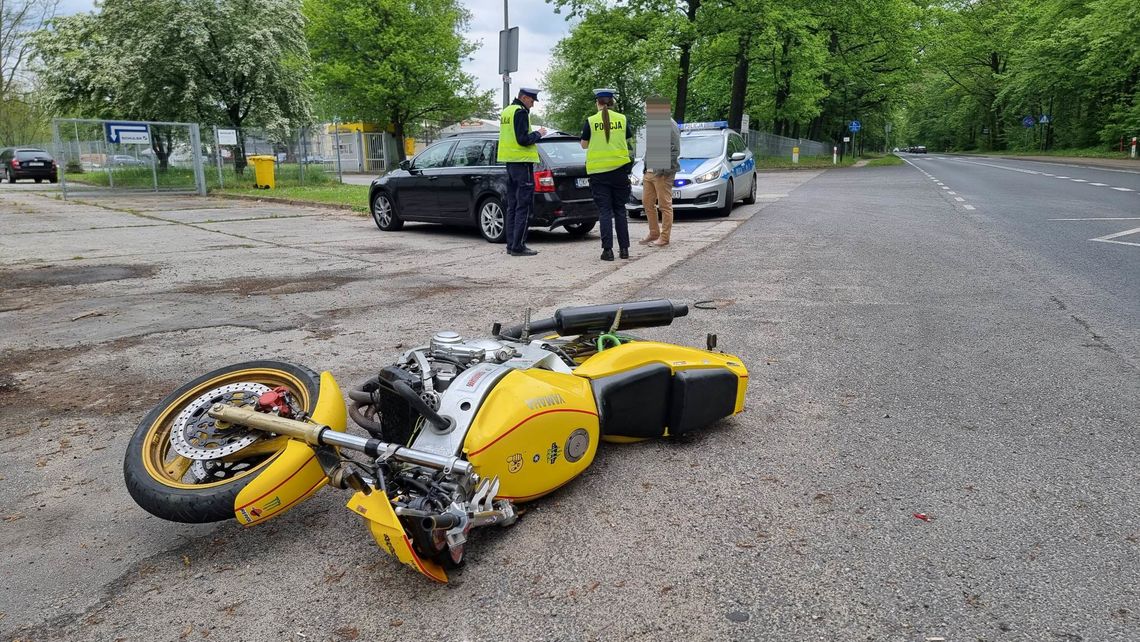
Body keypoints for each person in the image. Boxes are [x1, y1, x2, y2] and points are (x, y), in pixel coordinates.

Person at [580, 88, 635, 261]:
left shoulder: (590, 121)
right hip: (619, 172)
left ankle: (607, 251)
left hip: (599, 174)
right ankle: (624, 250)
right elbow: (627, 138)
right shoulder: (622, 119)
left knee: (604, 212)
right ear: (612, 103)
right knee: (620, 210)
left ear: (597, 103)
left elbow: (584, 145)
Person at [497, 87, 547, 256]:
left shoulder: (507, 111)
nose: (532, 105)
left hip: (510, 163)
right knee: (523, 206)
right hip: (523, 164)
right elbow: (523, 140)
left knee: (512, 206)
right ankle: (518, 246)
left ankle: (511, 244)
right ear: (524, 98)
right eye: (532, 101)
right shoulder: (520, 112)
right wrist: (538, 134)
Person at [639, 99, 681, 247]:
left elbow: (675, 149)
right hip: (650, 171)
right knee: (647, 202)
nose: (645, 111)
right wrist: (645, 167)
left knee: (664, 205)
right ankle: (654, 232)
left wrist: (664, 170)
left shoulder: (670, 124)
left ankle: (664, 237)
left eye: (647, 108)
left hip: (663, 172)